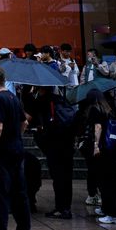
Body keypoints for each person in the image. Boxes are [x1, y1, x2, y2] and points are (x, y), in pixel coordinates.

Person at [0, 66, 31, 230]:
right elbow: (24, 122)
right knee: (19, 194)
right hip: (16, 150)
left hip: (1, 153)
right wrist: (15, 137)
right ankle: (24, 229)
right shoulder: (13, 98)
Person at [31, 87, 74, 219]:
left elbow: (37, 123)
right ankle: (66, 207)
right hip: (67, 144)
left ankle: (60, 208)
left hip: (54, 145)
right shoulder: (62, 100)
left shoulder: (42, 101)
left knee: (58, 177)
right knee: (66, 178)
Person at [84, 89, 116, 224]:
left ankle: (113, 214)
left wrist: (95, 145)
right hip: (111, 150)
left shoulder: (95, 109)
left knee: (105, 182)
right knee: (109, 182)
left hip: (104, 150)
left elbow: (98, 127)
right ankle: (107, 209)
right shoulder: (108, 109)